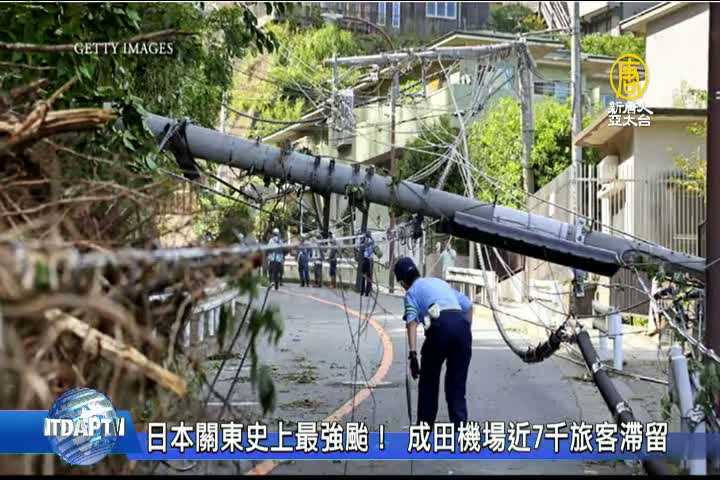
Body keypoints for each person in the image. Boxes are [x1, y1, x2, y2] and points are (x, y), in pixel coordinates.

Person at [394, 256, 473, 428]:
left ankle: (424, 430)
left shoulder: (411, 292)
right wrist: (466, 330)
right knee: (456, 385)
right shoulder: (438, 282)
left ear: (402, 283)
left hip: (440, 328)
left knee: (429, 382)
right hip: (462, 328)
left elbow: (411, 322)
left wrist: (413, 355)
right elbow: (468, 305)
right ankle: (461, 430)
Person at [360, 230, 375, 297]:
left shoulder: (369, 241)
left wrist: (367, 238)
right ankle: (364, 291)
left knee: (367, 276)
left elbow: (367, 244)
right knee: (365, 276)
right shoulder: (367, 240)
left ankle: (365, 292)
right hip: (367, 259)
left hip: (368, 259)